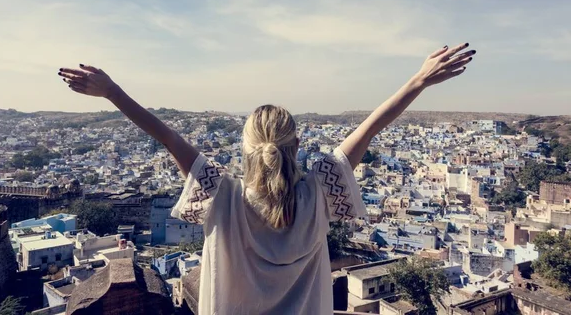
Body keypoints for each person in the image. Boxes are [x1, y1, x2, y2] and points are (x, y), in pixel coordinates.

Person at [58, 43, 475, 314]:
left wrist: (112, 92)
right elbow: (369, 128)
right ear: (296, 146)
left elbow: (165, 133)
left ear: (246, 147)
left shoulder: (220, 194)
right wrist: (419, 79)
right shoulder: (320, 193)